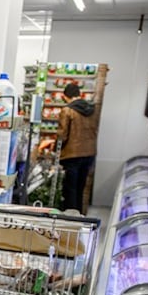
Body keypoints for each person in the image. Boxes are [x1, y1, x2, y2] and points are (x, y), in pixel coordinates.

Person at [58, 83, 99, 213]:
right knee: (81, 187)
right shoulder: (92, 110)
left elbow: (63, 135)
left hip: (72, 154)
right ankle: (80, 216)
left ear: (65, 96)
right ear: (79, 94)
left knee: (70, 188)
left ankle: (70, 219)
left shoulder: (67, 110)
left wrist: (55, 147)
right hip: (89, 153)